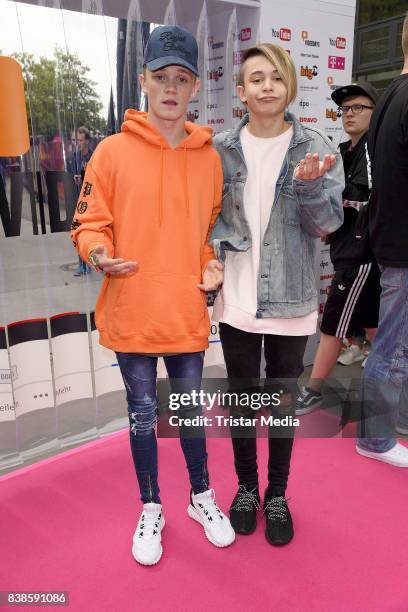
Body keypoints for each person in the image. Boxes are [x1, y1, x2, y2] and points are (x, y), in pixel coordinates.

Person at [71, 25, 235, 565]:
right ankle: (151, 505)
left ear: (194, 88)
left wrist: (212, 267)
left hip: (183, 308)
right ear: (143, 80)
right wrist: (99, 255)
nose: (170, 87)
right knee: (143, 415)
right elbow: (88, 224)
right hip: (132, 309)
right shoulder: (111, 152)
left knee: (187, 412)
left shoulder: (209, 158)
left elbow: (206, 236)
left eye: (181, 78)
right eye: (160, 76)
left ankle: (202, 497)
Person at [210, 43, 344, 545]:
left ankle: (278, 493)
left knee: (281, 402)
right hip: (238, 299)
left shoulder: (316, 145)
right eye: (256, 79)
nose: (267, 86)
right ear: (241, 91)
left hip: (292, 300)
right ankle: (246, 488)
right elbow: (207, 219)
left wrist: (310, 187)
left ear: (288, 85)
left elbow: (328, 224)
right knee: (244, 399)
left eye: (276, 78)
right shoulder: (220, 147)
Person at [295, 82, 381, 415]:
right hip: (348, 249)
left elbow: (368, 201)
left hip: (360, 254)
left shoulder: (375, 151)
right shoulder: (341, 150)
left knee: (333, 324)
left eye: (358, 108)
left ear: (375, 113)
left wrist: (336, 211)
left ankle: (313, 389)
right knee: (375, 325)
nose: (350, 114)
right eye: (345, 109)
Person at [356, 13, 408, 467]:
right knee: (392, 348)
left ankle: (388, 428)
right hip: (403, 248)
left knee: (395, 344)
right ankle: (376, 439)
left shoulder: (392, 93)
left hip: (393, 242)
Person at [67, 126, 94, 276]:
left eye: (79, 140)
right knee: (77, 231)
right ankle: (81, 263)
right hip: (76, 200)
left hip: (92, 201)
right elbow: (66, 177)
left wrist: (84, 179)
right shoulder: (71, 158)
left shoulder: (94, 156)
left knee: (92, 232)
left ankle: (92, 261)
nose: (76, 143)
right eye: (73, 140)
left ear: (87, 141)